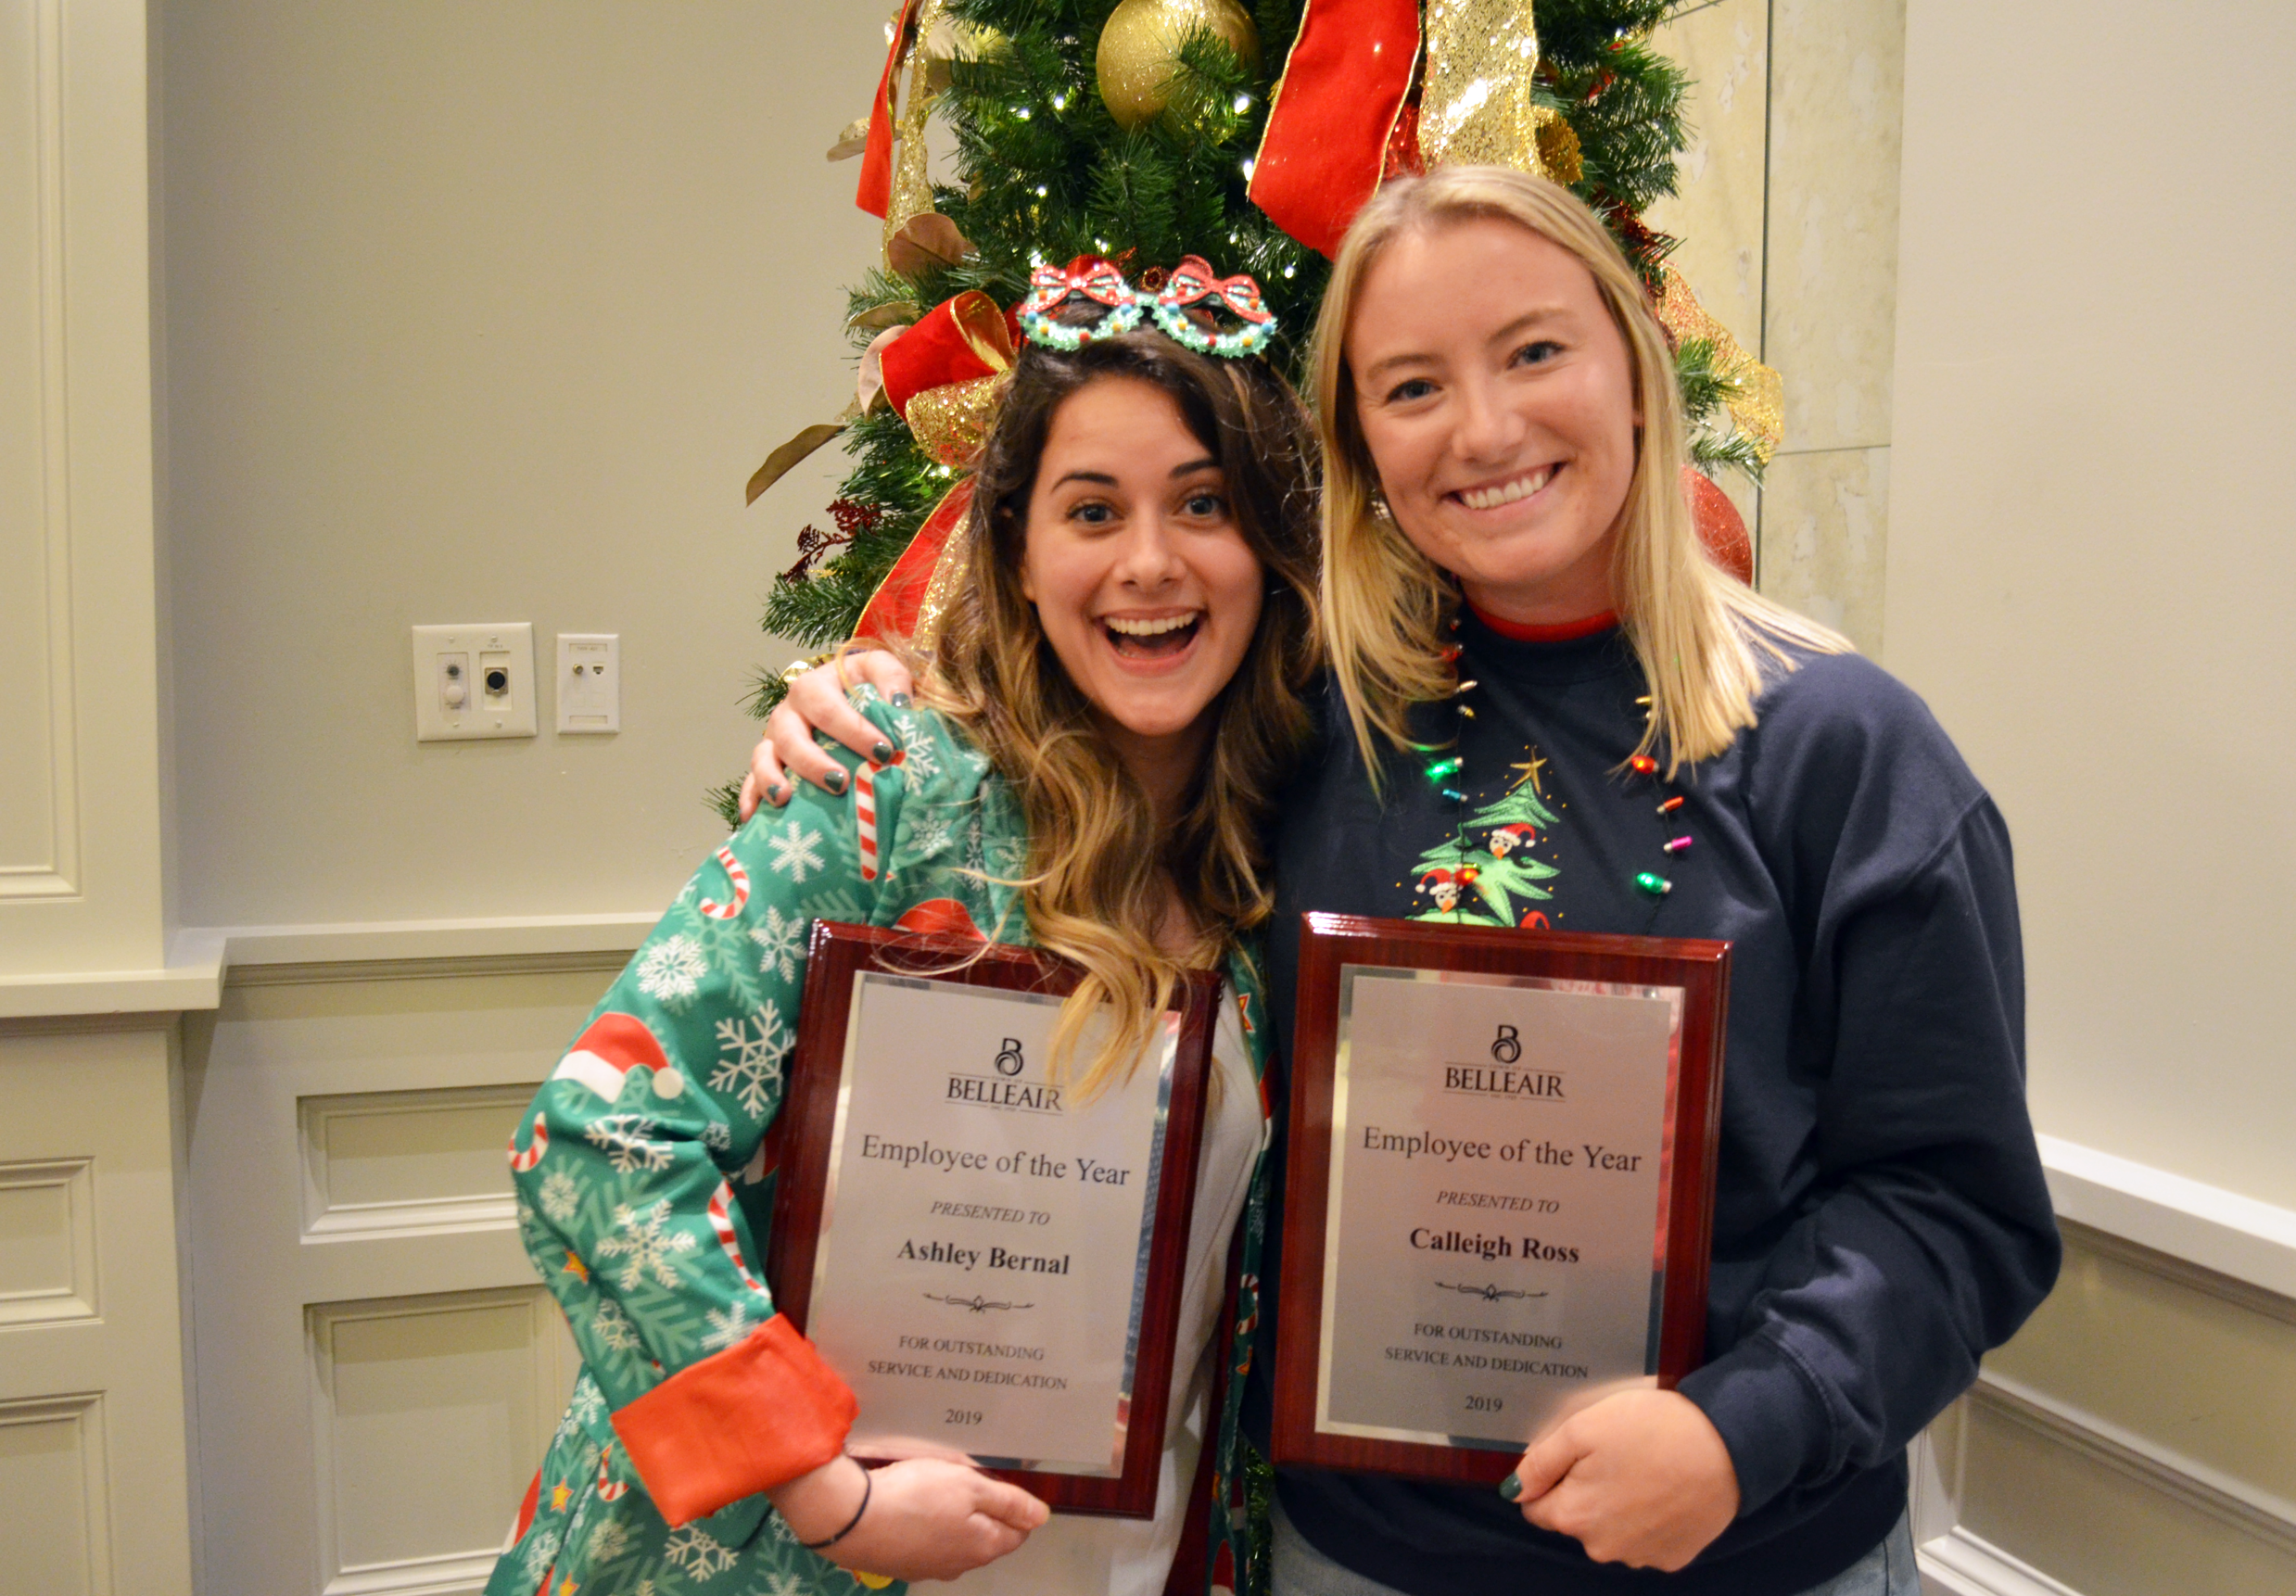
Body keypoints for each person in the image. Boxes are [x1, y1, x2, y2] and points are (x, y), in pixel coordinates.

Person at [746, 166, 2060, 1596]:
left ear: (1637, 371)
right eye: (1414, 386)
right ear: (1360, 442)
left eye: (1536, 351)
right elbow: (1072, 731)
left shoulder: (1849, 753)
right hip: (1357, 1562)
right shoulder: (1296, 724)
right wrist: (872, 703)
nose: (1485, 428)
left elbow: (1957, 1206)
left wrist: (1743, 1432)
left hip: (1752, 1556)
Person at [492, 260, 1321, 1596]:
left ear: (1271, 550)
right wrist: (824, 1496)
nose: (1151, 563)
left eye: (1206, 504)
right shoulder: (886, 803)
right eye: (1092, 509)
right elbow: (594, 1136)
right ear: (1018, 551)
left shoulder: (1290, 859)